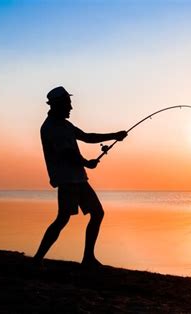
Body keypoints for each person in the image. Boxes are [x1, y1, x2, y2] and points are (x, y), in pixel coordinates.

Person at [34, 86, 127, 267]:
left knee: (97, 213)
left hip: (78, 178)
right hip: (67, 180)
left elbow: (87, 137)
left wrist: (114, 135)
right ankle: (37, 259)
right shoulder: (51, 127)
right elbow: (67, 152)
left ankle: (88, 258)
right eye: (68, 104)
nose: (71, 107)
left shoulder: (65, 125)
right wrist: (86, 163)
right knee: (62, 219)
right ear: (58, 105)